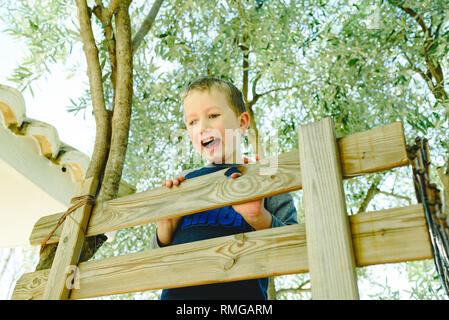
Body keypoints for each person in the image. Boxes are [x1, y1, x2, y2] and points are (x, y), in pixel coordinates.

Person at [150, 77, 298, 300]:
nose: (203, 128)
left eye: (213, 116)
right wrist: (166, 226)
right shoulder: (185, 182)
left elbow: (294, 250)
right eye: (193, 122)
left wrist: (258, 216)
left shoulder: (266, 177)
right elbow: (156, 264)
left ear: (242, 123)